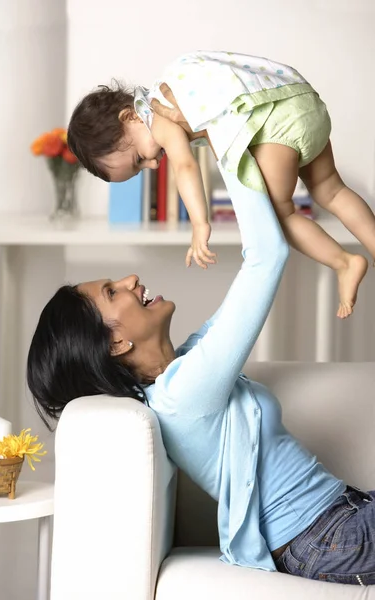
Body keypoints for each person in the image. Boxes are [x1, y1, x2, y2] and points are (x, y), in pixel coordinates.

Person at [28, 90, 375, 586]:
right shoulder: (186, 393)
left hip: (342, 516)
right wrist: (228, 139)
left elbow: (252, 274)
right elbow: (266, 260)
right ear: (116, 344)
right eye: (112, 291)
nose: (130, 280)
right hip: (328, 538)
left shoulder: (186, 369)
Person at [67, 50, 375, 319]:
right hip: (302, 104)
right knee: (331, 190)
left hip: (277, 125)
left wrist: (200, 224)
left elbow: (186, 166)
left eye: (138, 158)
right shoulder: (178, 90)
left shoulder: (157, 114)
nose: (154, 164)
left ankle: (344, 262)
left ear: (129, 117)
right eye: (142, 169)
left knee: (281, 214)